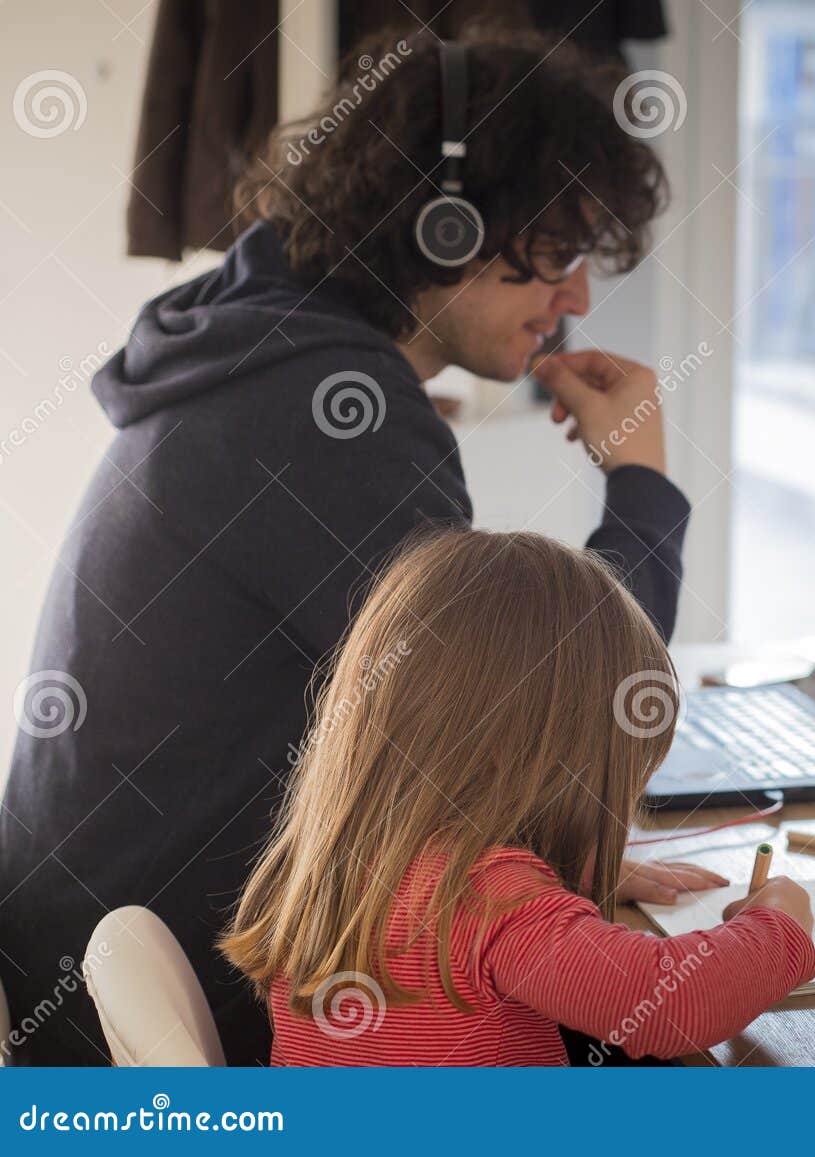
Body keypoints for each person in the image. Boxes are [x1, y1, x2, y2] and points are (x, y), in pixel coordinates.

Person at [0, 29, 713, 1065]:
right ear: (447, 225)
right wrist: (641, 479)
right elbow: (556, 717)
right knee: (658, 1047)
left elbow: (481, 726)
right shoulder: (332, 409)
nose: (574, 301)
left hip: (81, 961)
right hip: (179, 1000)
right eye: (555, 255)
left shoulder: (257, 343)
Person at [220, 528, 815, 1065]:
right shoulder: (489, 897)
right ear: (553, 764)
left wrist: (578, 876)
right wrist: (778, 926)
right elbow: (666, 1005)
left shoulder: (336, 849)